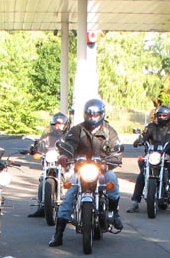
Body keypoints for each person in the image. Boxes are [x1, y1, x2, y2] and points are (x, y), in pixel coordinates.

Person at [49, 98, 124, 247]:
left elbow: (116, 149)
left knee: (113, 182)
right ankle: (58, 234)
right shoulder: (77, 130)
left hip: (102, 169)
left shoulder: (109, 131)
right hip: (81, 169)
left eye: (96, 115)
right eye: (90, 115)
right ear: (85, 114)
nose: (93, 118)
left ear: (101, 114)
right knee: (69, 197)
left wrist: (111, 160)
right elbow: (69, 145)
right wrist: (64, 156)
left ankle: (114, 212)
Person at [127, 105, 170, 216]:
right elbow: (144, 135)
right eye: (159, 115)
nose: (161, 117)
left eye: (164, 115)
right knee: (141, 176)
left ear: (169, 116)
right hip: (153, 156)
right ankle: (135, 202)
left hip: (168, 156)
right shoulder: (151, 127)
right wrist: (140, 139)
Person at [28, 112, 69, 217]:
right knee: (43, 179)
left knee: (72, 181)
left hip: (65, 165)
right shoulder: (47, 136)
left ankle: (70, 208)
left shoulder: (68, 137)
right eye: (56, 124)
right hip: (50, 163)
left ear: (65, 125)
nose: (58, 127)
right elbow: (41, 144)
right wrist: (35, 149)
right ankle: (41, 207)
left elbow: (74, 146)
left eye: (61, 124)